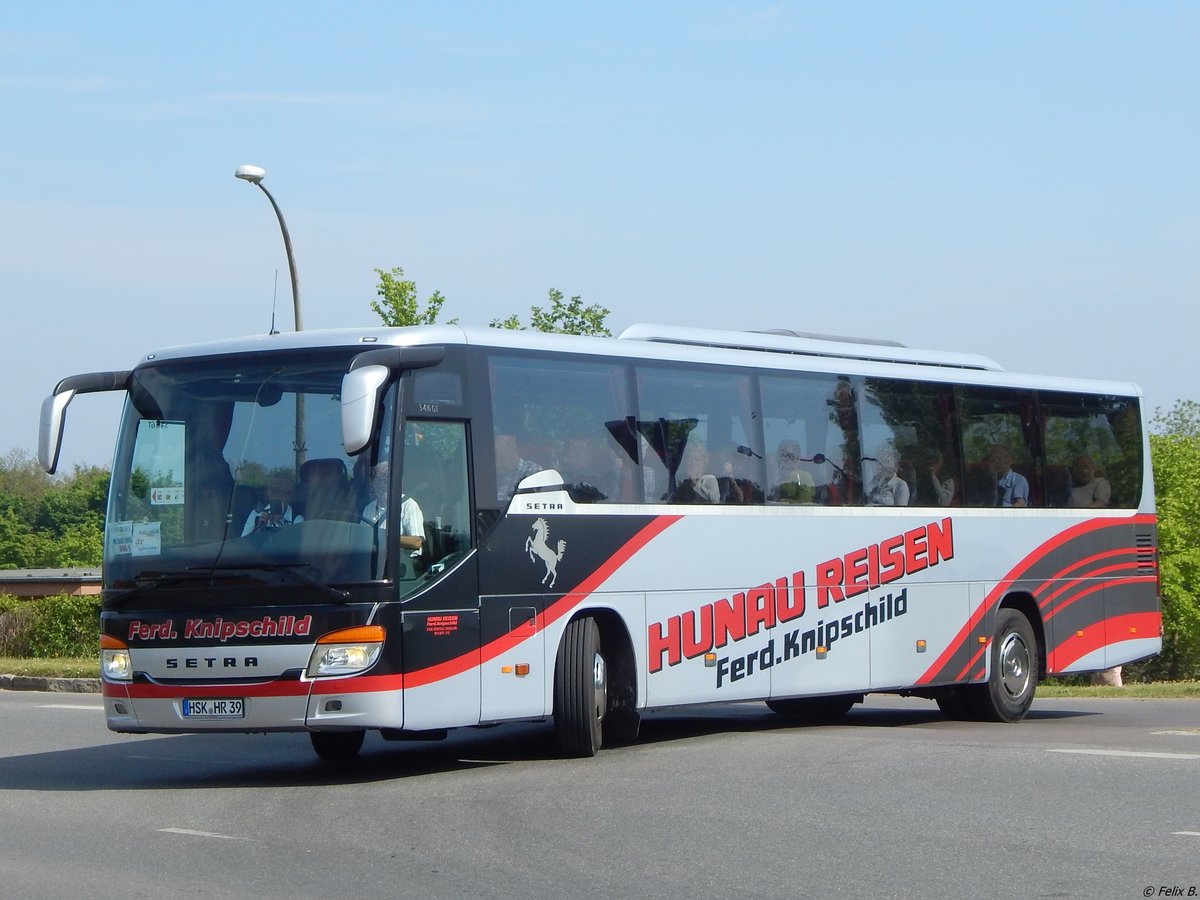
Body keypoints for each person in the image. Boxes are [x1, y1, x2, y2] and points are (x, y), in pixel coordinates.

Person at [361, 463, 424, 554]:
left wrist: (384, 537)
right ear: (373, 483)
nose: (383, 484)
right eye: (379, 480)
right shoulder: (369, 508)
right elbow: (360, 538)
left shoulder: (409, 505)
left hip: (400, 564)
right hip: (371, 561)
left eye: (386, 479)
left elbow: (416, 542)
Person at [494, 433, 542, 502]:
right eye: (496, 453)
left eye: (502, 452)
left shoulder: (533, 469)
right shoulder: (492, 474)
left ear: (512, 448)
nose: (498, 458)